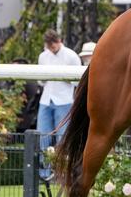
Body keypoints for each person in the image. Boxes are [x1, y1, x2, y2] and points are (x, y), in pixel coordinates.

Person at [36, 29, 81, 178]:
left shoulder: (71, 56)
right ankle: (44, 173)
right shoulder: (43, 56)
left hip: (64, 101)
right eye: (49, 46)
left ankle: (62, 173)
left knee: (63, 138)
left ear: (59, 41)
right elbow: (40, 81)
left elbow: (77, 81)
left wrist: (65, 78)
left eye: (54, 45)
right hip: (46, 100)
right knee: (43, 136)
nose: (52, 48)